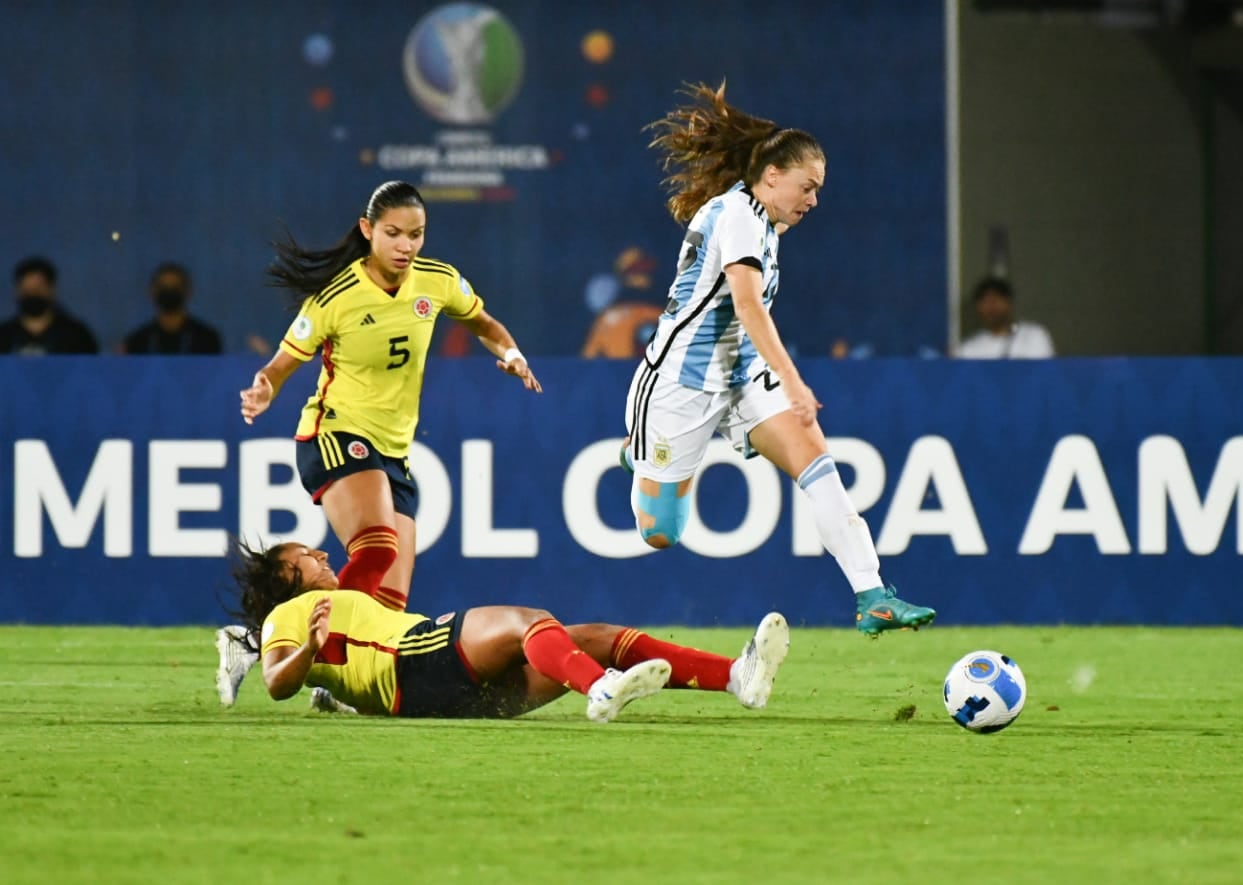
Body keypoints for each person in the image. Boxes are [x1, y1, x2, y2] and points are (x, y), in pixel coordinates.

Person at [621, 82, 935, 635]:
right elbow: (746, 304)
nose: (813, 200)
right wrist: (792, 379)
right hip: (681, 383)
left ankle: (872, 594)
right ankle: (637, 450)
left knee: (818, 465)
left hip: (742, 377)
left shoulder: (767, 221)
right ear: (771, 176)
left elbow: (747, 300)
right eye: (807, 187)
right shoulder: (738, 215)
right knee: (660, 533)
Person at [222, 181, 542, 702]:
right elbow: (283, 363)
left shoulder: (437, 281)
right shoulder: (337, 295)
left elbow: (484, 323)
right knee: (375, 547)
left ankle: (334, 681)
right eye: (393, 233)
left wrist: (510, 353)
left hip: (394, 449)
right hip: (335, 432)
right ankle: (258, 643)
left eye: (416, 235)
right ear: (368, 231)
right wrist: (265, 388)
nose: (406, 245)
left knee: (389, 598)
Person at [221, 539, 790, 722]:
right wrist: (309, 650)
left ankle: (738, 677)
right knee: (529, 623)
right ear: (287, 581)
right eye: (305, 558)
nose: (322, 553)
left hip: (440, 698)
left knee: (590, 636)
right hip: (414, 662)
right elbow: (276, 683)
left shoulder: (335, 601)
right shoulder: (287, 618)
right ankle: (600, 689)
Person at [0, 256, 99, 355]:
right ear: (16, 291)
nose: (32, 293)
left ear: (52, 290)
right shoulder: (4, 336)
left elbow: (91, 368)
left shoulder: (77, 337)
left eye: (38, 288)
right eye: (26, 289)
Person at [121, 262, 223, 354]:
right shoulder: (138, 341)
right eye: (164, 288)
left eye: (175, 288)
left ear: (187, 291)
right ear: (152, 291)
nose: (169, 292)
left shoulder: (207, 339)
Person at [955, 276, 1055, 359]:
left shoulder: (1035, 336)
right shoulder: (968, 349)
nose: (991, 308)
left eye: (995, 301)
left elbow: (1046, 376)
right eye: (985, 302)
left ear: (1008, 303)